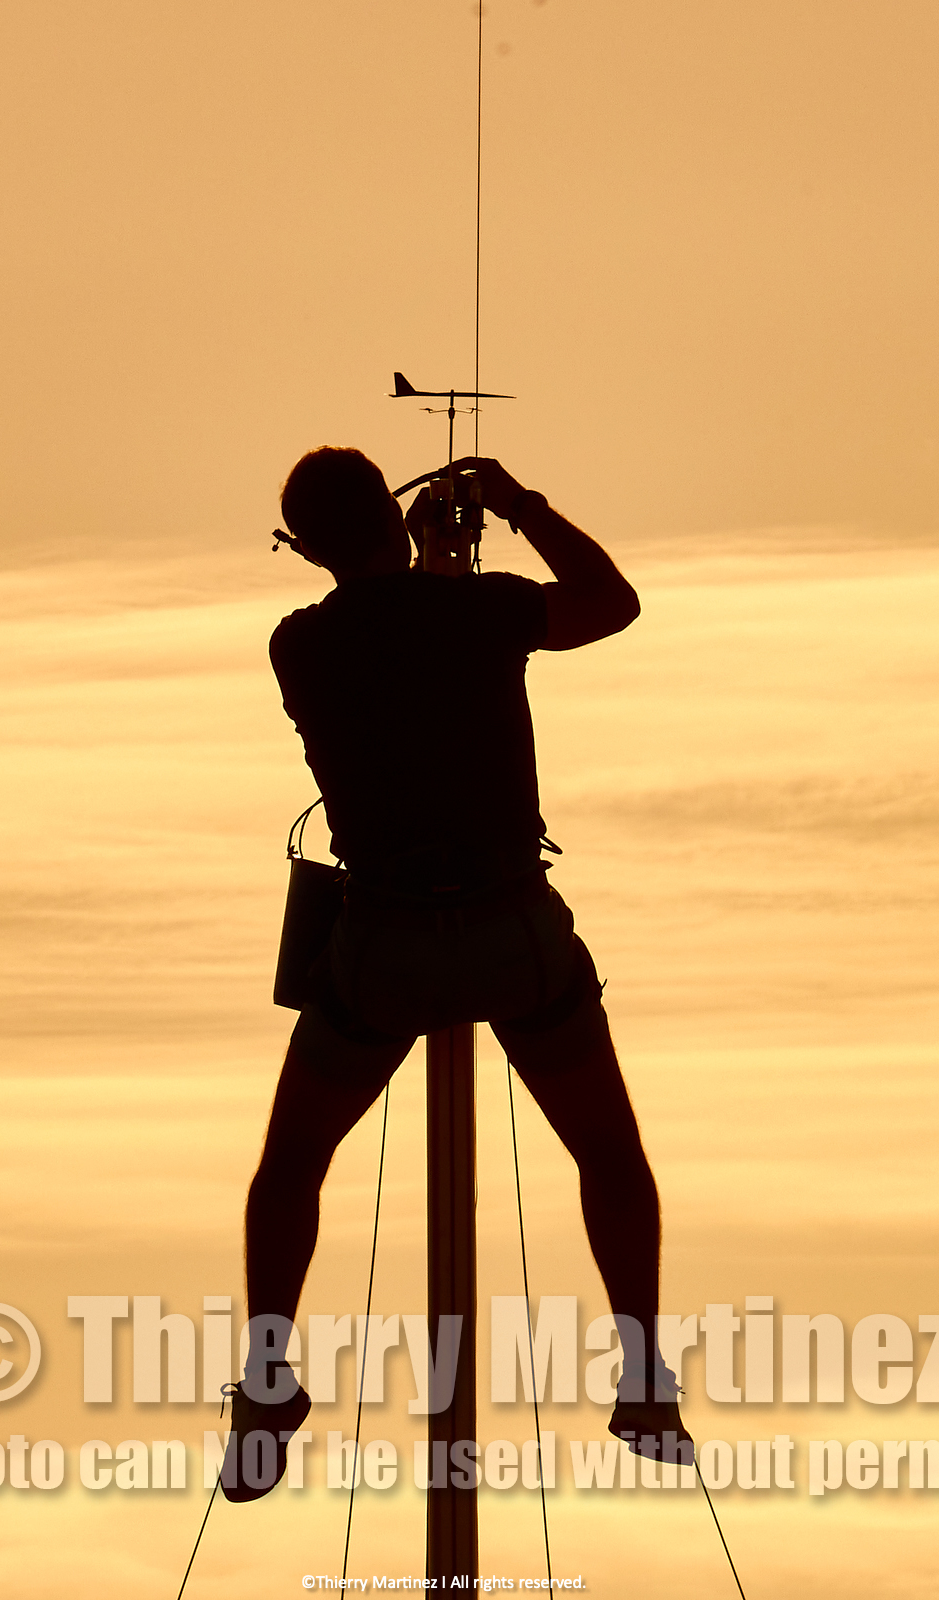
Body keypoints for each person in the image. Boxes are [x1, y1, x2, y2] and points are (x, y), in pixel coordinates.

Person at [222, 446, 686, 1502]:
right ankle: (644, 1380)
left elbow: (398, 649)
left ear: (307, 549)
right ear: (392, 519)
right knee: (610, 1155)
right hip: (510, 930)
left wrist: (430, 564)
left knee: (290, 1168)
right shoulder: (485, 613)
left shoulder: (299, 646)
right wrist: (516, 507)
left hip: (383, 945)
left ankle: (267, 1383)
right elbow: (610, 604)